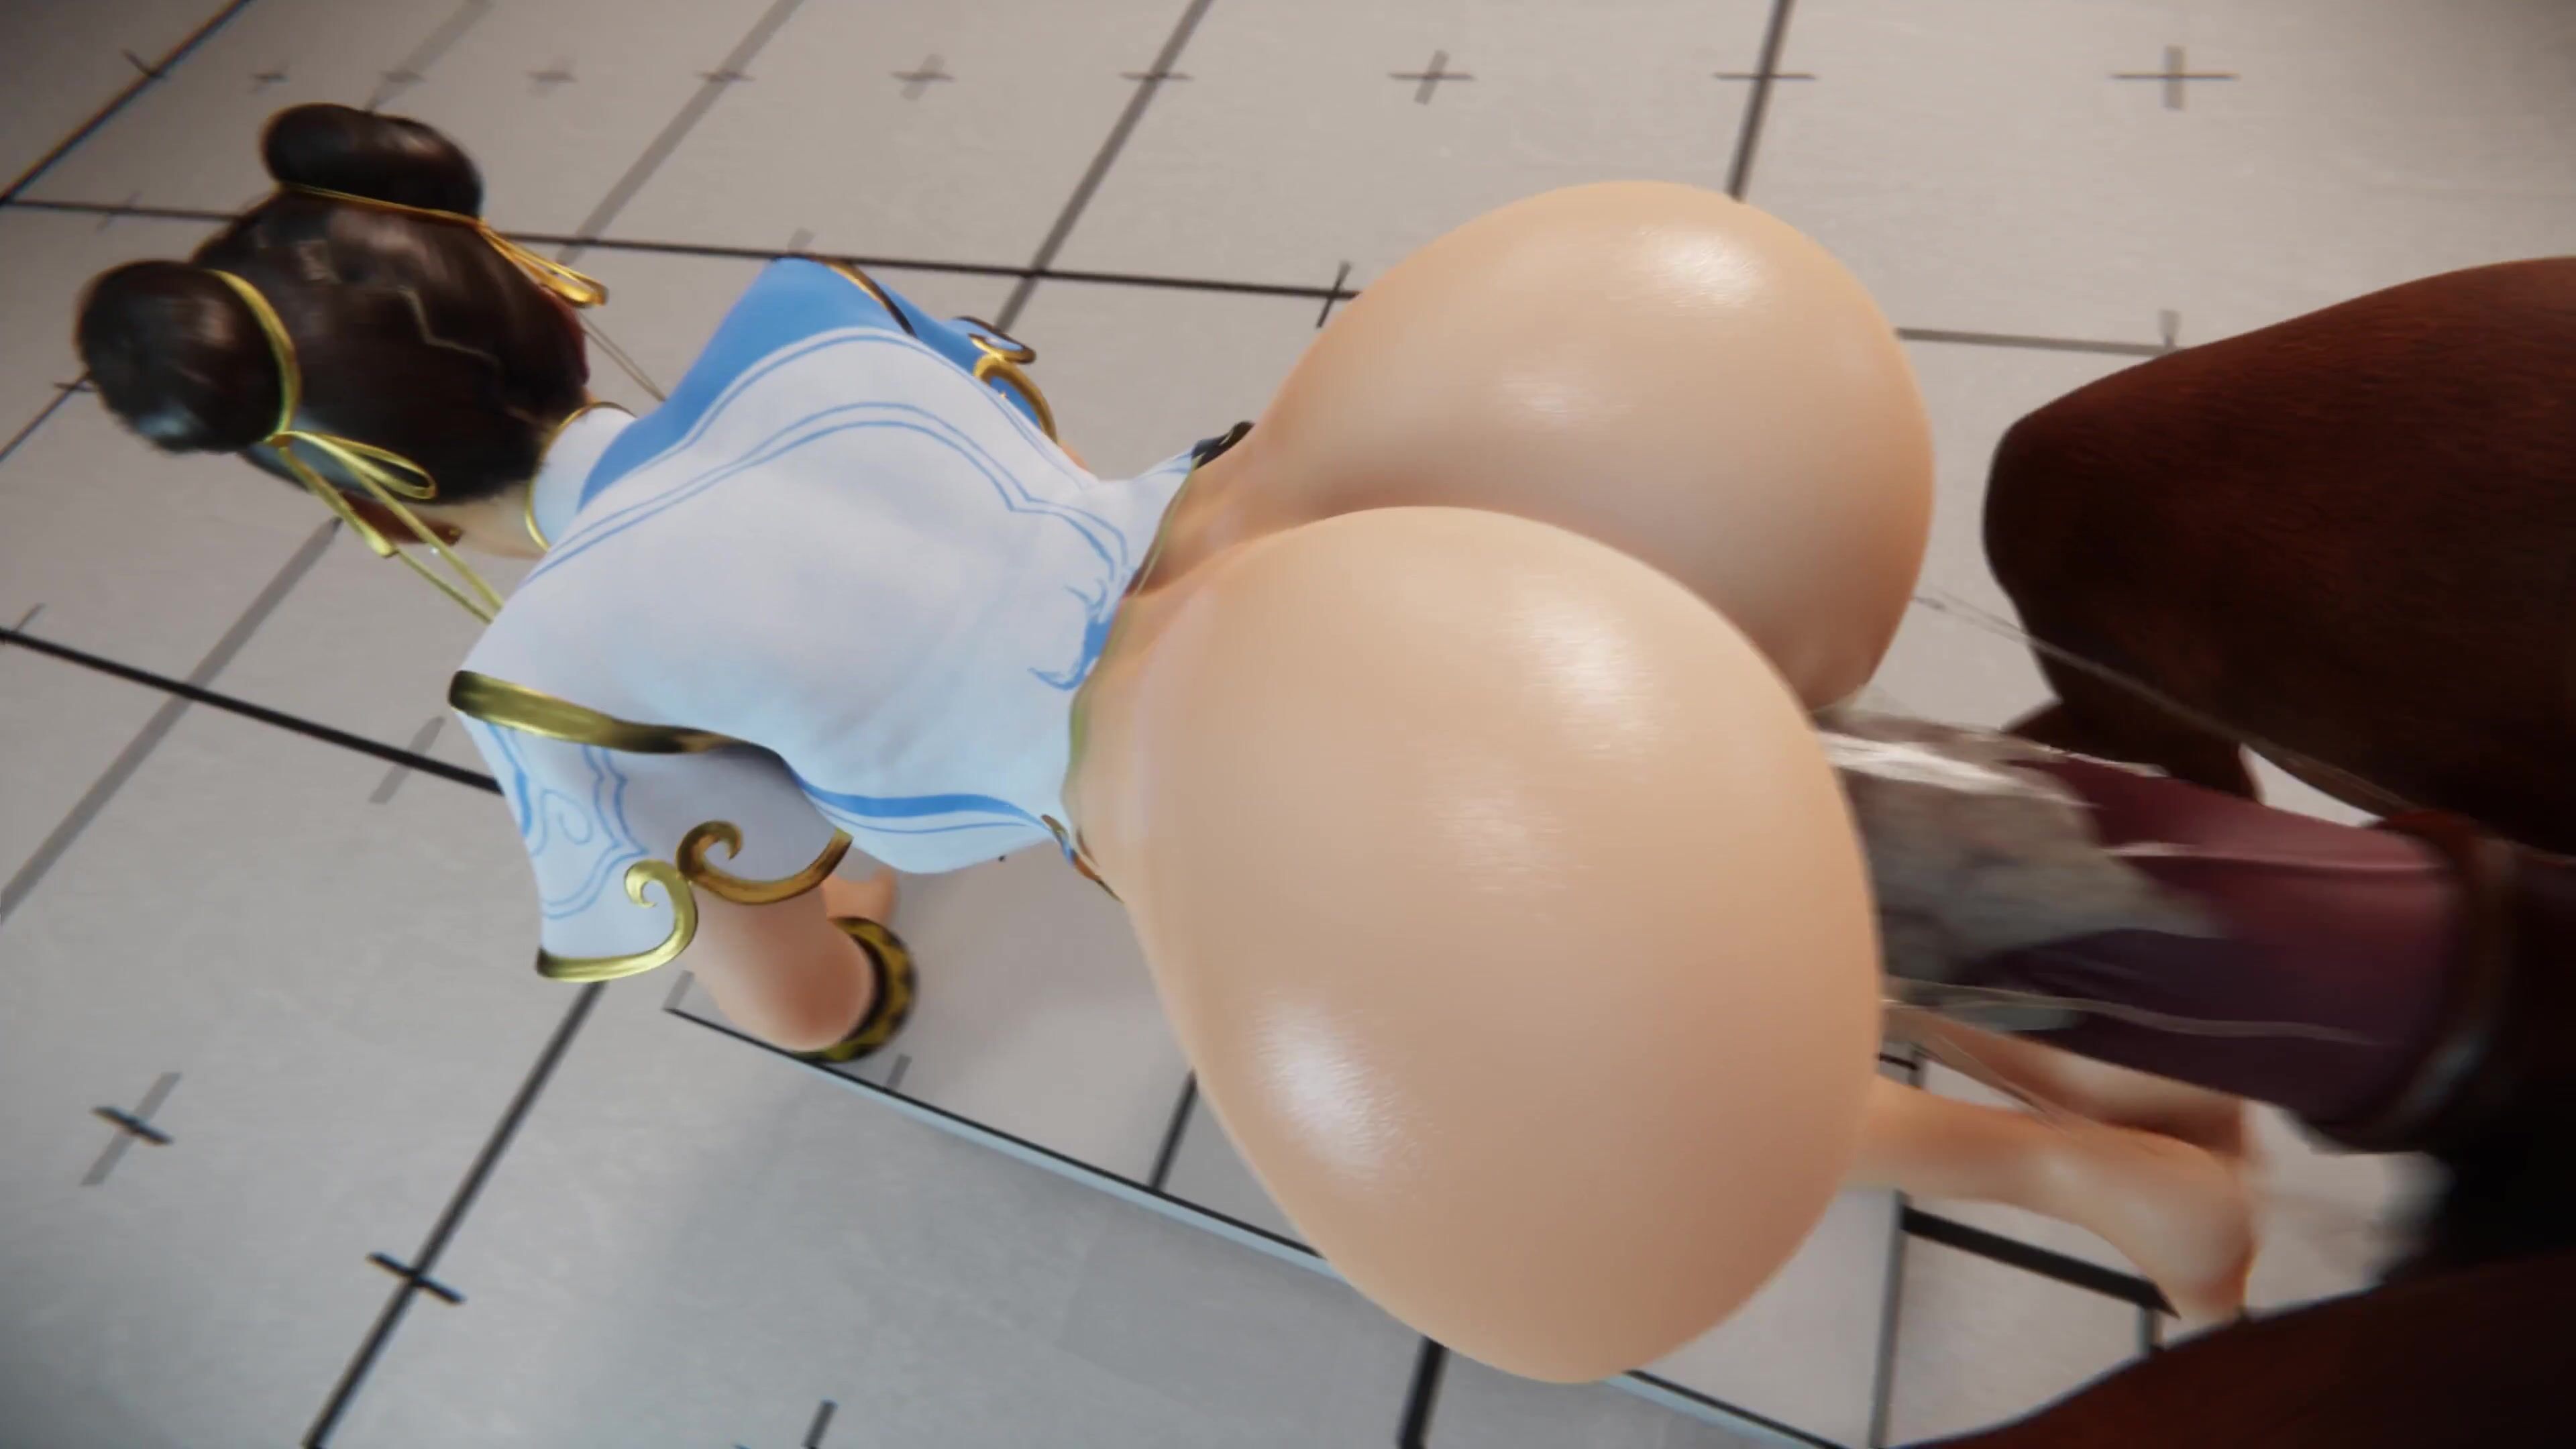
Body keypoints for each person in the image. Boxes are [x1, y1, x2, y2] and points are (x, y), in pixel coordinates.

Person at [79, 101, 2345, 1373]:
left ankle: (2078, 1177)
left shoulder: (560, 661)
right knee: (1715, 787)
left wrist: (853, 963)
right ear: (541, 292)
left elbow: (786, 969)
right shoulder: (810, 324)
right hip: (1265, 505)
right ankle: (2097, 1051)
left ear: (358, 493)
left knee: (1570, 1031)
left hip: (1181, 748)